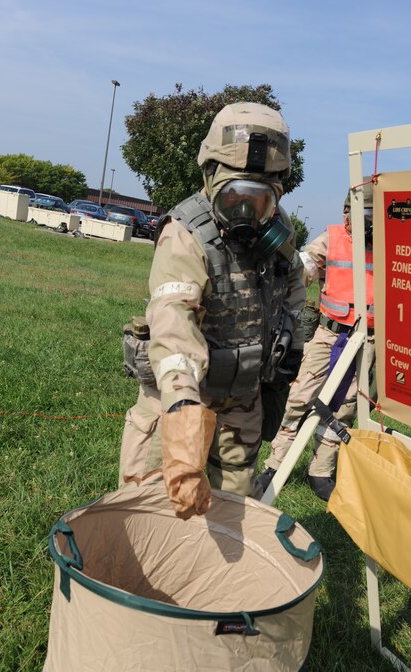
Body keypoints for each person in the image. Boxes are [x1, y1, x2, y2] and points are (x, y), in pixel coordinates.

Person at [119, 102, 306, 520]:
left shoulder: (280, 232)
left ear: (278, 187)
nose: (246, 211)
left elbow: (293, 283)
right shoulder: (185, 234)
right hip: (179, 400)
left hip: (243, 403)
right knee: (152, 512)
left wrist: (291, 337)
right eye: (235, 196)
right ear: (210, 176)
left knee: (232, 516)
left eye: (259, 199)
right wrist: (183, 409)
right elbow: (172, 319)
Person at [258, 180, 375, 501]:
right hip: (328, 337)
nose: (370, 222)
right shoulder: (332, 240)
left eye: (374, 215)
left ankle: (320, 471)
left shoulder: (388, 246)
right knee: (299, 399)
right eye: (365, 214)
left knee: (344, 407)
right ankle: (275, 464)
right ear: (347, 214)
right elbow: (304, 266)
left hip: (364, 343)